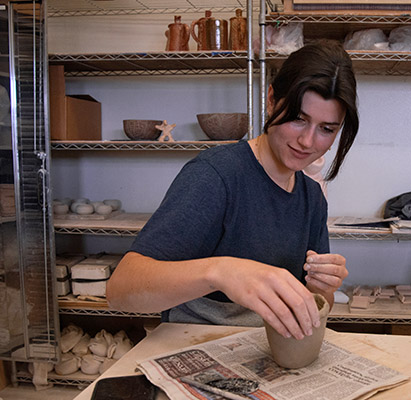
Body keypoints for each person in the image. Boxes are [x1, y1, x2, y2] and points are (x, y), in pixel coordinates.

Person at [106, 40, 360, 341]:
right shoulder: (216, 176)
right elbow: (120, 290)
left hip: (268, 351)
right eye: (297, 119)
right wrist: (221, 272)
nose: (307, 141)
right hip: (198, 345)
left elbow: (317, 306)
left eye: (327, 129)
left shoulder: (312, 197)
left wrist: (321, 288)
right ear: (270, 100)